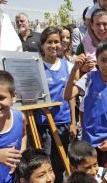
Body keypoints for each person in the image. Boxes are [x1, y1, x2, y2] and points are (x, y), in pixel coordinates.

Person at [34, 26, 76, 183]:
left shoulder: (68, 66)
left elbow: (71, 96)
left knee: (60, 164)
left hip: (62, 123)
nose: (53, 45)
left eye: (56, 42)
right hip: (43, 124)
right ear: (42, 45)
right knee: (45, 164)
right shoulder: (36, 66)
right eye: (49, 42)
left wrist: (73, 122)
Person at [76, 9, 107, 74]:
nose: (101, 28)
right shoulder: (84, 43)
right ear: (92, 26)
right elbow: (76, 69)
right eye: (97, 24)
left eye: (104, 24)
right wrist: (82, 69)